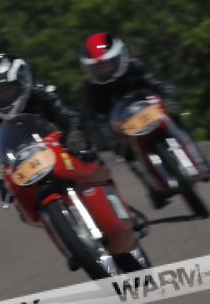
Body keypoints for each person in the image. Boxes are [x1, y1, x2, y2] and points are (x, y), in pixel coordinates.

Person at [78, 33, 208, 208]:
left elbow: (160, 84)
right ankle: (152, 186)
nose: (104, 69)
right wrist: (108, 133)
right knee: (124, 152)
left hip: (150, 105)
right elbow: (94, 115)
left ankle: (201, 163)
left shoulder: (136, 66)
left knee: (175, 119)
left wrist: (170, 99)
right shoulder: (91, 86)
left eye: (108, 63)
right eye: (98, 67)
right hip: (122, 120)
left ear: (119, 57)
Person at [0, 52, 92, 201]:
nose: (3, 96)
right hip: (26, 170)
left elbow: (71, 117)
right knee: (19, 200)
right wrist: (1, 183)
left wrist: (75, 135)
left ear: (22, 83)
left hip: (64, 152)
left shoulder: (43, 93)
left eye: (8, 88)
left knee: (90, 158)